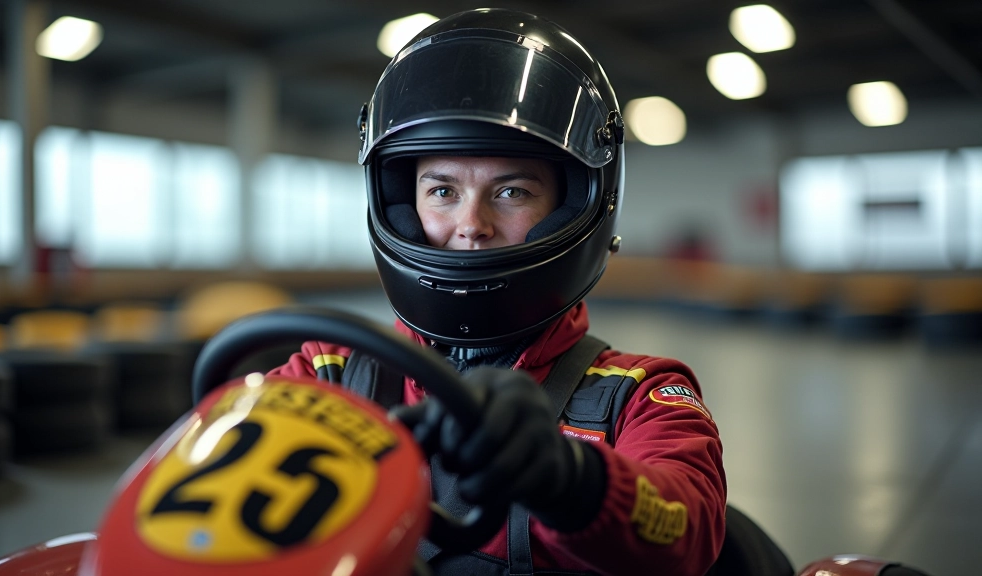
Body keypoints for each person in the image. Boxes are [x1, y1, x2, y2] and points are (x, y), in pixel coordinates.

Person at [269, 8, 726, 575]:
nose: (470, 224)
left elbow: (687, 526)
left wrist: (571, 479)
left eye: (510, 192)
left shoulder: (638, 395)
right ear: (400, 205)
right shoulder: (330, 375)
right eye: (441, 190)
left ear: (574, 210)